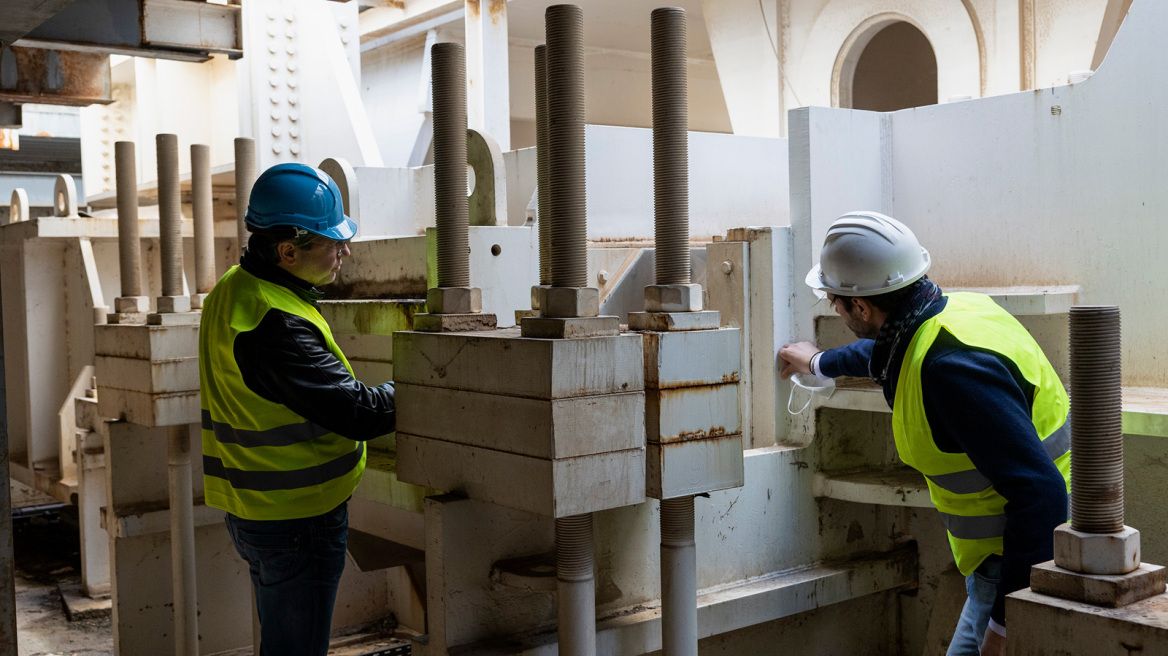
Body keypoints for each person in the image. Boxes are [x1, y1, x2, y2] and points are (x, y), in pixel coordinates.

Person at [778, 212, 1069, 656]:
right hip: (1020, 555)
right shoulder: (953, 312)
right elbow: (885, 353)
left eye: (833, 301)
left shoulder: (949, 372)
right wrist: (819, 363)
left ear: (861, 307)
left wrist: (1006, 628)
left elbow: (1041, 493)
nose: (833, 310)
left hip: (1020, 562)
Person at [199, 163, 396, 655]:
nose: (345, 252)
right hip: (297, 521)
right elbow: (361, 413)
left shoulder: (235, 287)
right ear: (287, 251)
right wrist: (424, 384)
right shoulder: (276, 324)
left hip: (257, 510)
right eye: (333, 242)